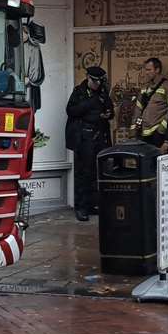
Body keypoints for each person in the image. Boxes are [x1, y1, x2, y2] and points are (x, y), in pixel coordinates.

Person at [65, 65, 114, 222]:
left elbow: (110, 109)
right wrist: (90, 104)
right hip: (84, 138)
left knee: (97, 172)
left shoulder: (102, 92)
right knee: (84, 173)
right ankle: (82, 207)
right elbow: (71, 111)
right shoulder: (79, 92)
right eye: (95, 81)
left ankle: (93, 204)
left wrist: (108, 113)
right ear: (88, 78)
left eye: (100, 81)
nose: (97, 84)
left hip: (100, 137)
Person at [132, 57, 168, 147]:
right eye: (146, 70)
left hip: (158, 135)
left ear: (157, 70)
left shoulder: (167, 86)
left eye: (149, 70)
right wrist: (133, 131)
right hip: (143, 134)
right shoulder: (145, 88)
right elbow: (138, 109)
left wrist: (161, 129)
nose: (146, 72)